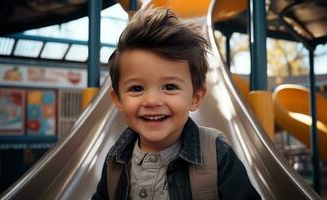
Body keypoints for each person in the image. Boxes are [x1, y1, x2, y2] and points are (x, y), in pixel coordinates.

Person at [92, 8, 261, 200]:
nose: (152, 101)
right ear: (118, 100)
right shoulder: (116, 161)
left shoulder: (217, 156)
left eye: (170, 87)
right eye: (137, 89)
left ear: (195, 98)